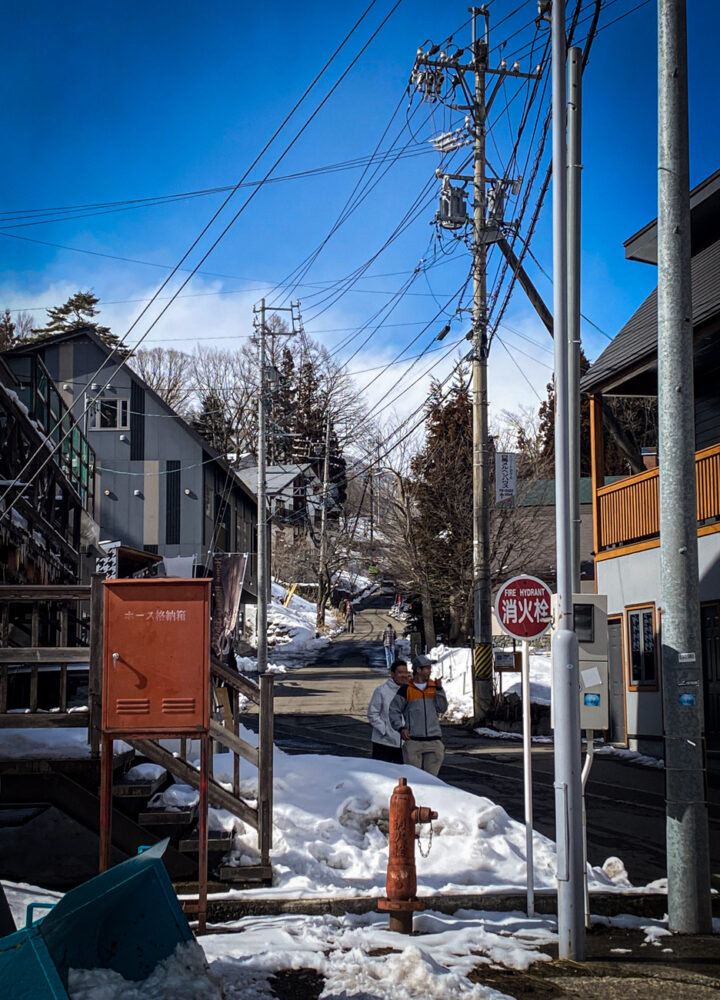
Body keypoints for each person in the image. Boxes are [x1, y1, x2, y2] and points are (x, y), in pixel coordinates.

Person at [388, 654, 448, 776]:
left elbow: (442, 708)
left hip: (434, 741)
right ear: (418, 670)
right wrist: (400, 728)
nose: (429, 671)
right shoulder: (406, 689)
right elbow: (394, 710)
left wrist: (439, 690)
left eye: (430, 668)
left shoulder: (434, 687)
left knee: (431, 780)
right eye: (426, 668)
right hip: (413, 741)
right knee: (414, 779)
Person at [367, 660, 411, 763]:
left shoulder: (411, 691)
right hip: (383, 743)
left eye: (406, 672)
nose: (404, 675)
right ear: (392, 674)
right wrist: (384, 730)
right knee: (382, 775)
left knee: (401, 776)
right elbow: (372, 713)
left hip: (404, 743)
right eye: (400, 672)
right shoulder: (381, 691)